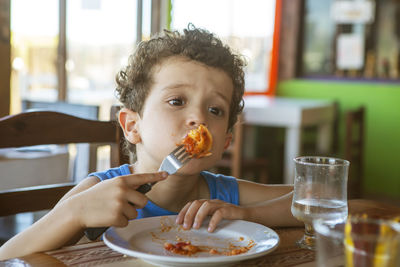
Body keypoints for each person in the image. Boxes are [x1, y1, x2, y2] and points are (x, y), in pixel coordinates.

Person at [0, 24, 300, 260]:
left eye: (215, 110)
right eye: (177, 101)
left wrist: (248, 214)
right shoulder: (101, 192)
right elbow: (7, 257)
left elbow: (329, 201)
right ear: (132, 126)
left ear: (226, 141)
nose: (199, 118)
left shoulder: (224, 197)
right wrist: (75, 214)